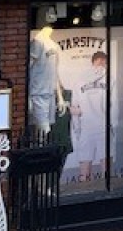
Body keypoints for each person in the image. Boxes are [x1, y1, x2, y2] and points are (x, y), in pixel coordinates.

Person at [71, 50, 109, 182]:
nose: (102, 66)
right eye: (102, 62)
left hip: (92, 126)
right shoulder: (108, 80)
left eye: (103, 63)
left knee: (88, 164)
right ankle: (105, 188)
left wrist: (77, 128)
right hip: (99, 125)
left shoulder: (79, 81)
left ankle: (85, 189)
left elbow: (74, 108)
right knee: (102, 163)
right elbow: (74, 108)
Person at [27, 26, 67, 139]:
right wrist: (27, 96)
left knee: (43, 133)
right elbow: (27, 69)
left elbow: (55, 72)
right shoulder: (37, 42)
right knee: (44, 132)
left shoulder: (54, 46)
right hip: (37, 94)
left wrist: (60, 97)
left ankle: (38, 153)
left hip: (50, 94)